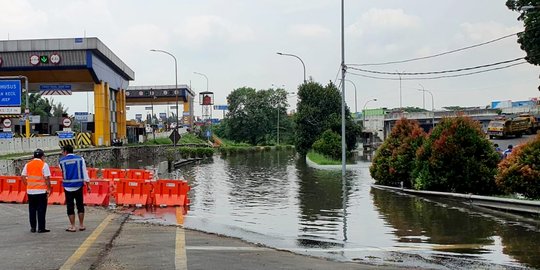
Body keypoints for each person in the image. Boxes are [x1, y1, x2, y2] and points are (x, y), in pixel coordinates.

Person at [59, 145, 90, 232]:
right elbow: (84, 172)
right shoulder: (80, 159)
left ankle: (72, 226)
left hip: (68, 187)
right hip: (78, 185)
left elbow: (62, 171)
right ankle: (81, 225)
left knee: (70, 206)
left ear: (65, 152)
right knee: (80, 205)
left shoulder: (61, 161)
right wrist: (88, 184)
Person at [21, 148, 52, 233]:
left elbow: (23, 176)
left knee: (32, 209)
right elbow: (47, 178)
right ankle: (41, 228)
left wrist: (27, 185)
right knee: (41, 210)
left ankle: (33, 227)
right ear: (42, 156)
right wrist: (49, 188)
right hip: (41, 191)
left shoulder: (28, 165)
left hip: (30, 191)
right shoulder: (44, 165)